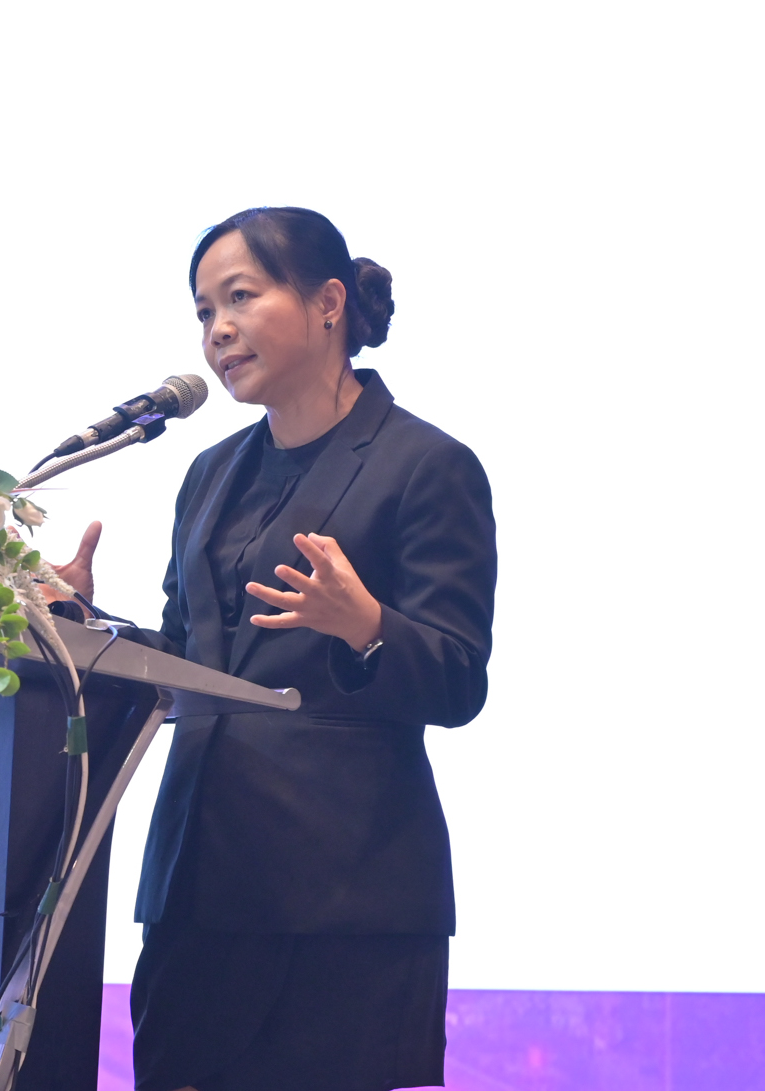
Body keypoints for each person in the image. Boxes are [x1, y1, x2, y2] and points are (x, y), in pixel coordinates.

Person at [54, 206, 495, 1091]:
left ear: (328, 303)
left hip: (344, 900)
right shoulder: (209, 473)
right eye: (203, 311)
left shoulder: (426, 464)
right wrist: (81, 627)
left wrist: (367, 626)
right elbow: (187, 660)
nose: (218, 330)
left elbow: (457, 681)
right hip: (196, 889)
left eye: (241, 297)